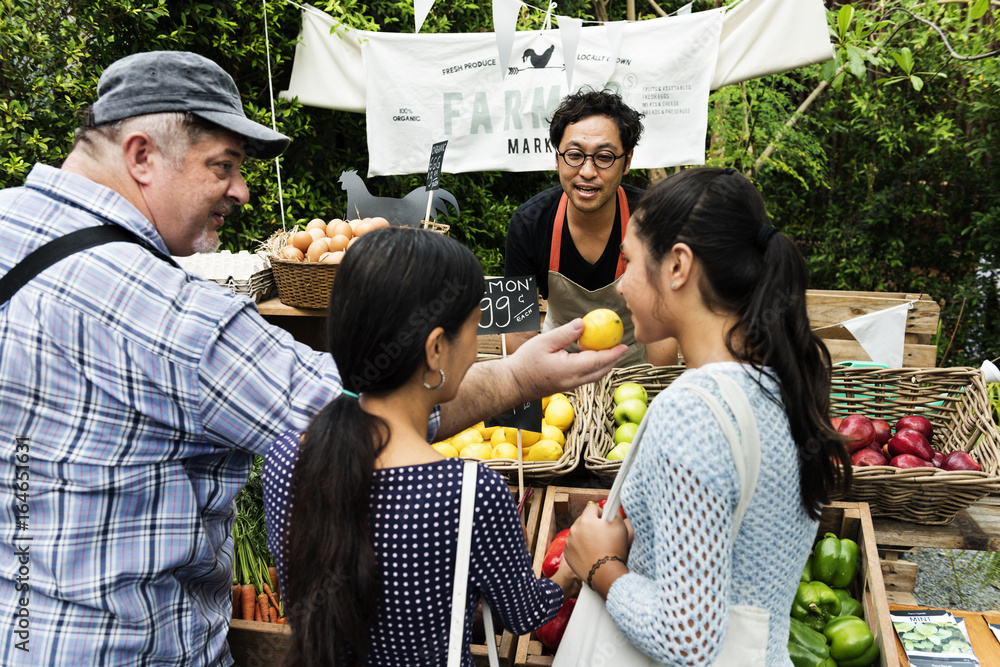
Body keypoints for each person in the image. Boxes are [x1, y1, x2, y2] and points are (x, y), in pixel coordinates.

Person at [0, 51, 622, 666]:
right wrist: (516, 375)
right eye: (224, 166)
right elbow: (371, 411)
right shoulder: (176, 317)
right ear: (141, 155)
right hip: (126, 648)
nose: (241, 191)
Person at [560, 167, 851, 665]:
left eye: (628, 261)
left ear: (677, 266)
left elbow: (687, 639)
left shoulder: (692, 409)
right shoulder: (782, 382)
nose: (621, 284)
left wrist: (601, 566)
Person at [262, 228, 580, 666]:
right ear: (435, 349)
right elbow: (524, 612)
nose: (475, 352)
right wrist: (576, 566)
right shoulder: (469, 492)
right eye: (473, 330)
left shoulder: (284, 461)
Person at [504, 89, 678, 367]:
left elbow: (662, 324)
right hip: (555, 368)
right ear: (558, 158)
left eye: (605, 157)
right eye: (574, 155)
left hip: (633, 371)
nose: (587, 171)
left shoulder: (653, 220)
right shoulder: (528, 224)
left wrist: (655, 395)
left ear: (627, 161)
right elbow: (518, 333)